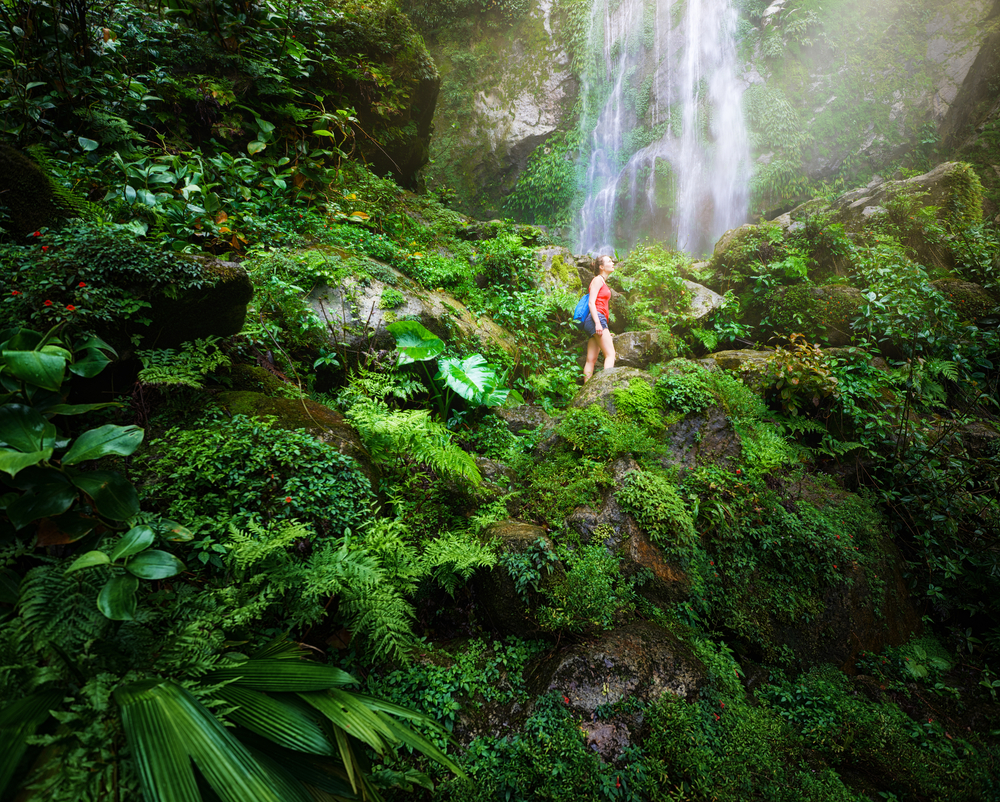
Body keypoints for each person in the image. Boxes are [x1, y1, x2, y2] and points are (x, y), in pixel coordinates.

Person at [582, 254, 616, 382]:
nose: (612, 263)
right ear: (601, 267)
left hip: (596, 320)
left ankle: (586, 390)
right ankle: (605, 385)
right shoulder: (597, 280)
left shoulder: (602, 281)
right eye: (609, 261)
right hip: (596, 319)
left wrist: (605, 329)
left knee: (591, 360)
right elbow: (592, 302)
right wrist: (598, 323)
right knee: (610, 355)